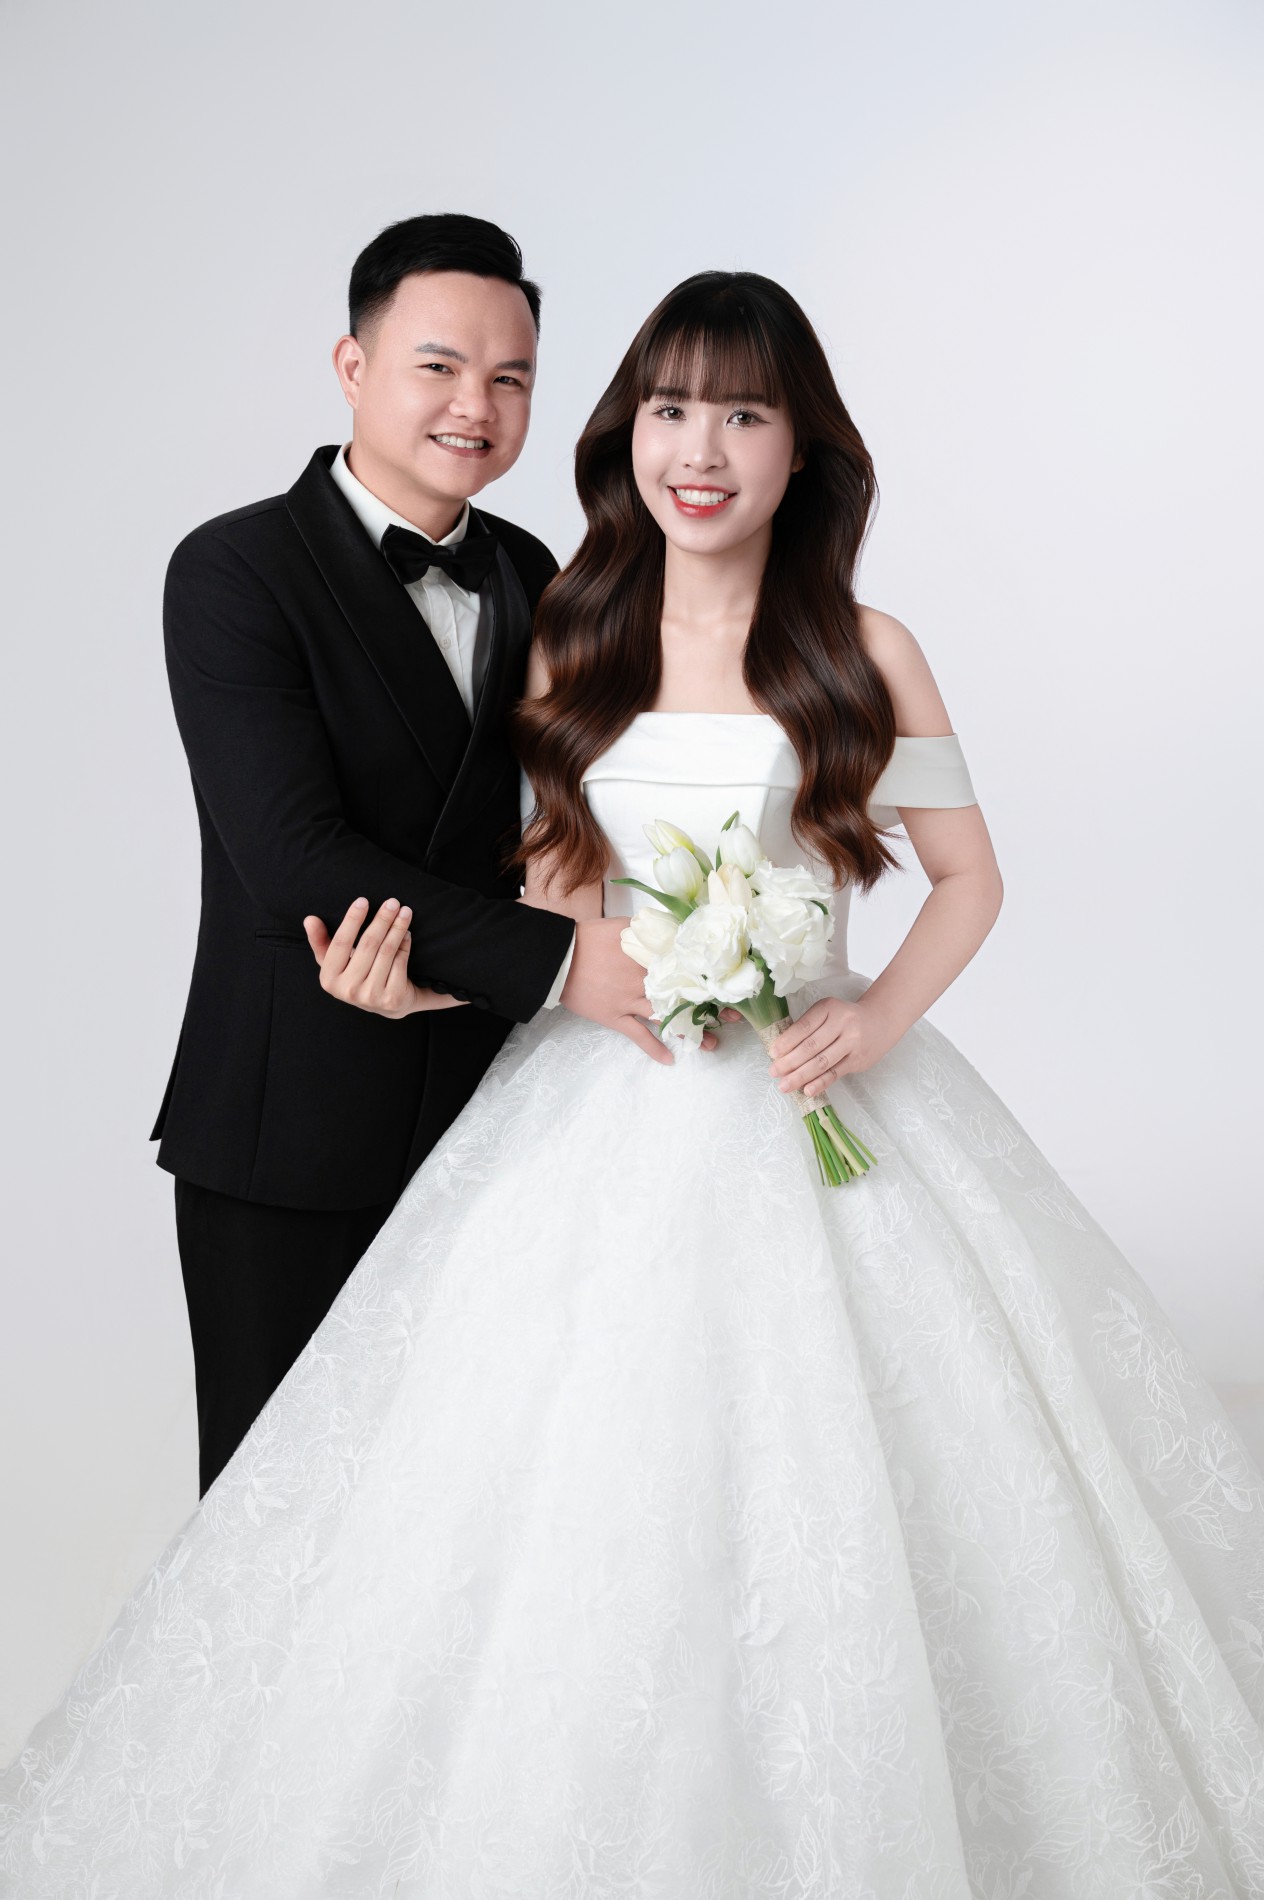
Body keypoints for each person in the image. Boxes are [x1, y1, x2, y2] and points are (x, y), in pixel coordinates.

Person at [4, 272, 1263, 1898]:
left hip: (810, 1088)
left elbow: (969, 878)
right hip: (602, 1087)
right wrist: (424, 976)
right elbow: (547, 895)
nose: (701, 449)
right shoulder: (571, 632)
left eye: (743, 414)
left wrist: (871, 1019)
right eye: (670, 410)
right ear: (626, 436)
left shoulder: (868, 650)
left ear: (801, 450)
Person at [150, 212, 661, 1497]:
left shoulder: (532, 571)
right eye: (439, 365)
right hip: (291, 1120)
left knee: (466, 1512)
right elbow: (292, 852)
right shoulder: (234, 568)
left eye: (511, 377)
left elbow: (551, 823)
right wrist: (562, 965)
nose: (475, 405)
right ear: (353, 365)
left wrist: (482, 970)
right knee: (274, 1515)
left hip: (489, 1113)